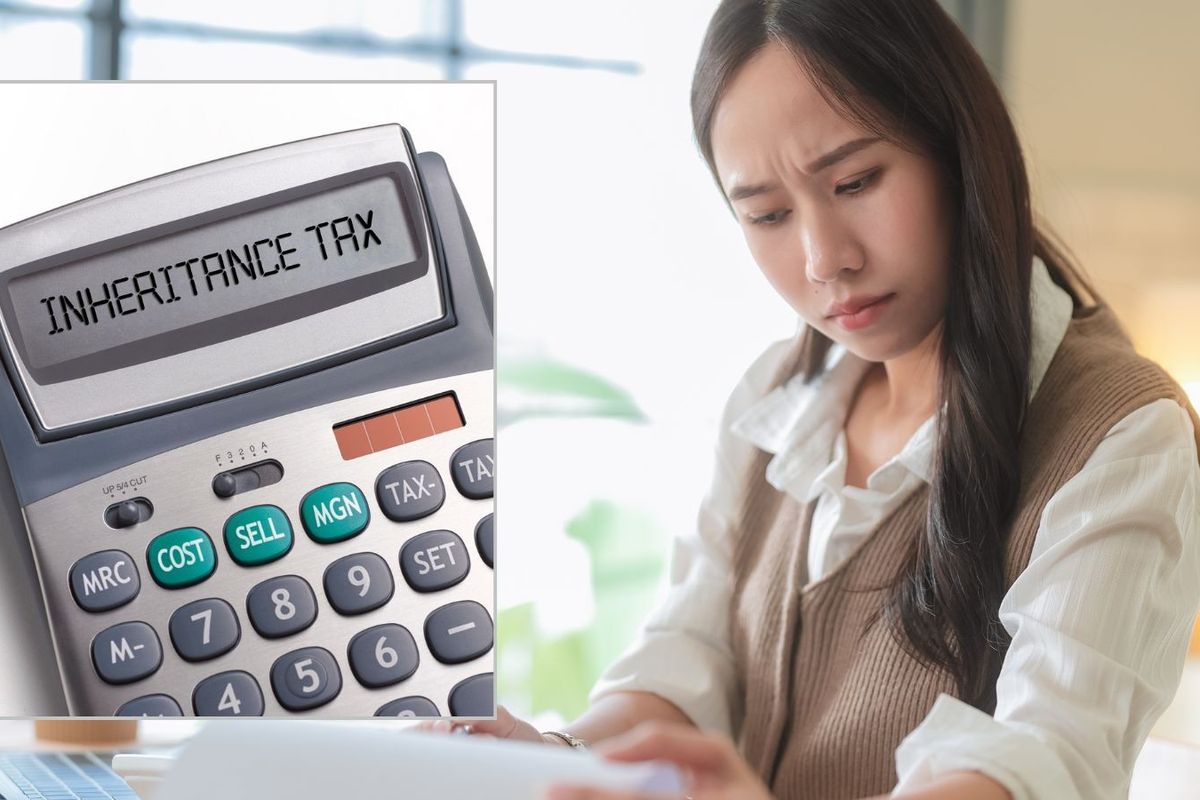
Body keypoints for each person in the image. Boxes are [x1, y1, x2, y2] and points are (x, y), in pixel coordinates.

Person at [443, 1, 1200, 798]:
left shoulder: (1120, 433)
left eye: (855, 181)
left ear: (960, 150)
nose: (823, 258)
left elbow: (1040, 758)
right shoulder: (778, 397)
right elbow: (691, 656)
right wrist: (547, 754)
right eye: (766, 214)